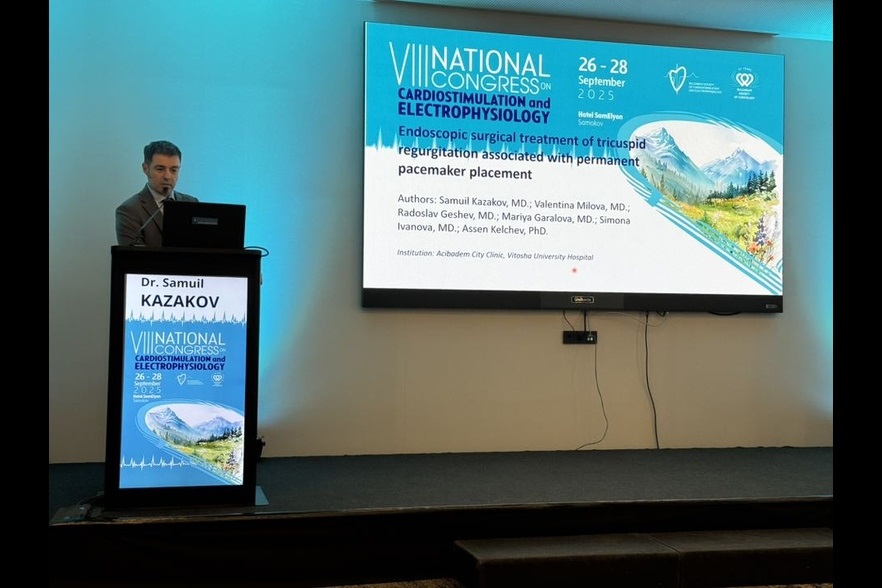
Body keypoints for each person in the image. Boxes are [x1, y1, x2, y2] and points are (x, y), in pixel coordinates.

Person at [115, 140, 198, 247]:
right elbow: (134, 256)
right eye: (160, 169)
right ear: (145, 169)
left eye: (174, 170)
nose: (167, 176)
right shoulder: (129, 210)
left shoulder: (192, 203)